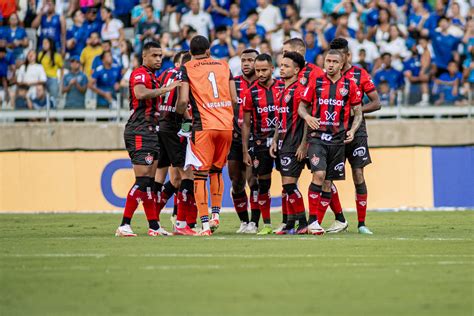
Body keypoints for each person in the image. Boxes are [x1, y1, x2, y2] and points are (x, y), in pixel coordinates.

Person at [116, 41, 181, 237]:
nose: (158, 59)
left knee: (151, 184)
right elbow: (140, 93)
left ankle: (154, 226)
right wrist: (166, 89)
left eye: (160, 55)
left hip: (151, 131)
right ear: (144, 56)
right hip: (139, 130)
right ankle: (124, 225)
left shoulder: (153, 76)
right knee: (143, 180)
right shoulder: (140, 73)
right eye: (154, 55)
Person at [176, 35, 237, 236]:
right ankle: (216, 213)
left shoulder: (188, 67)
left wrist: (180, 113)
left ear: (191, 53)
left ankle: (203, 226)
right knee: (217, 171)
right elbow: (235, 98)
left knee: (200, 175)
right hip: (226, 126)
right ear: (209, 51)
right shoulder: (224, 64)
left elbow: (183, 100)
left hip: (204, 126)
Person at [298, 49, 363, 236]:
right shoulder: (316, 82)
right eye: (328, 61)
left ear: (342, 64)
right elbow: (302, 107)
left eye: (335, 61)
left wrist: (352, 130)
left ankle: (316, 222)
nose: (330, 64)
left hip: (338, 141)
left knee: (327, 183)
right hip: (318, 138)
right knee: (318, 175)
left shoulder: (350, 85)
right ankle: (312, 221)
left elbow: (358, 113)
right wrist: (308, 117)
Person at [324, 38, 381, 235]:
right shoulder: (325, 77)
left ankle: (362, 223)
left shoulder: (359, 74)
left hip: (356, 132)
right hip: (332, 132)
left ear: (347, 56)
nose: (334, 61)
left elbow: (376, 103)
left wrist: (355, 111)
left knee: (358, 174)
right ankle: (340, 219)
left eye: (339, 56)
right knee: (326, 177)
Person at [242, 53, 285, 235]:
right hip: (260, 143)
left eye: (264, 70)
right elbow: (246, 123)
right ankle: (266, 224)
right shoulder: (250, 92)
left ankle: (287, 222)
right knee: (262, 184)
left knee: (288, 183)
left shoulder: (283, 87)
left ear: (272, 69)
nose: (260, 73)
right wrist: (245, 150)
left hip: (284, 141)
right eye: (257, 70)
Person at [154, 51, 196, 235]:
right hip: (174, 126)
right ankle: (181, 224)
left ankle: (152, 222)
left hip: (160, 125)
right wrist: (187, 121)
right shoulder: (185, 75)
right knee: (187, 175)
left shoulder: (164, 74)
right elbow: (182, 102)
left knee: (161, 177)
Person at [269, 51, 309, 235]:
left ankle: (303, 223)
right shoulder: (282, 90)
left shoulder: (300, 91)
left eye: (286, 66)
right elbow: (279, 120)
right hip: (283, 143)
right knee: (286, 186)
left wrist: (303, 144)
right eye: (281, 65)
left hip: (295, 143)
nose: (282, 69)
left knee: (290, 185)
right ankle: (290, 224)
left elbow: (307, 119)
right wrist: (275, 141)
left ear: (296, 70)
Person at [227, 48, 259, 234]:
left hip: (257, 139)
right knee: (236, 181)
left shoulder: (264, 83)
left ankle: (254, 222)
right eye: (243, 60)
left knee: (253, 180)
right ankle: (244, 222)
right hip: (235, 139)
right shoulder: (233, 83)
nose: (246, 64)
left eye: (250, 60)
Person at [38, 38, 63, 104]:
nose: (44, 45)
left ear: (51, 44)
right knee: (41, 98)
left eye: (46, 43)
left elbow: (62, 68)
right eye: (43, 43)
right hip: (42, 79)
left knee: (54, 98)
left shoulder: (57, 56)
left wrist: (61, 79)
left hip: (53, 78)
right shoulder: (40, 55)